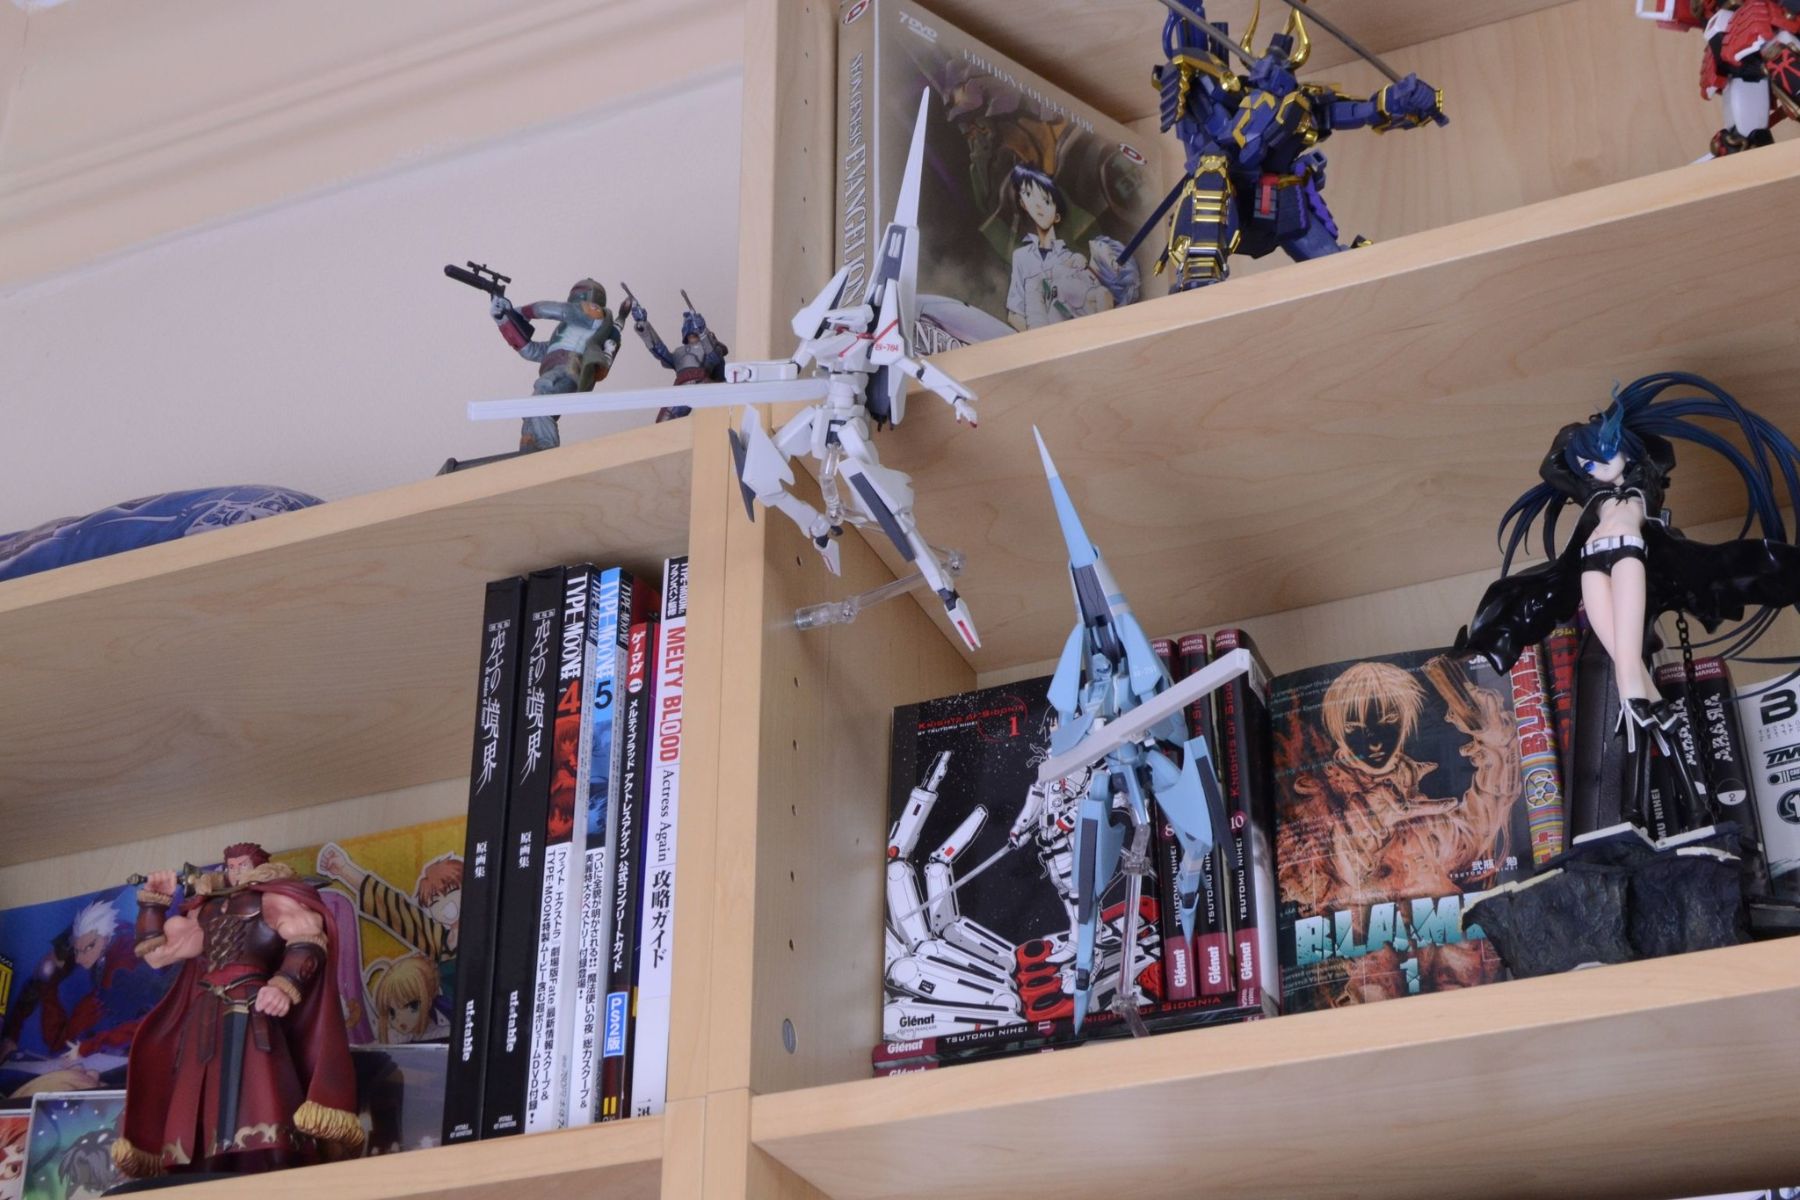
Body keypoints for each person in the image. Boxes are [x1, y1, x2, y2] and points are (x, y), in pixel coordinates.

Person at [112, 843, 361, 1178]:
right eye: (230, 865)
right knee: (198, 1088)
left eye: (243, 864)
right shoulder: (208, 909)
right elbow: (158, 955)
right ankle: (203, 1165)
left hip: (251, 1004)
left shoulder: (273, 898)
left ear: (259, 866)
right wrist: (154, 903)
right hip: (206, 1010)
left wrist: (284, 985)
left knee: (260, 1086)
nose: (235, 871)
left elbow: (307, 938)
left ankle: (275, 1159)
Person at [0, 895, 164, 1072]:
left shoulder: (125, 964)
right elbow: (43, 974)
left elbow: (146, 1020)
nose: (80, 959)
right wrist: (11, 1034)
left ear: (106, 939)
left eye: (87, 949)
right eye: (78, 951)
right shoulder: (82, 947)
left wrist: (88, 1047)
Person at [489, 279, 621, 452]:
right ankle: (528, 448)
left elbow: (549, 309)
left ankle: (548, 449)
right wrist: (504, 321)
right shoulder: (568, 330)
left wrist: (518, 311)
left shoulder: (595, 314)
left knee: (541, 399)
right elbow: (531, 350)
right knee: (531, 411)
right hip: (556, 368)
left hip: (570, 367)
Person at [1004, 166, 1138, 330]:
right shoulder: (1021, 256)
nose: (1038, 206)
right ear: (1023, 204)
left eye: (1046, 201)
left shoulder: (1072, 261)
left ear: (1057, 215)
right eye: (1029, 196)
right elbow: (1014, 315)